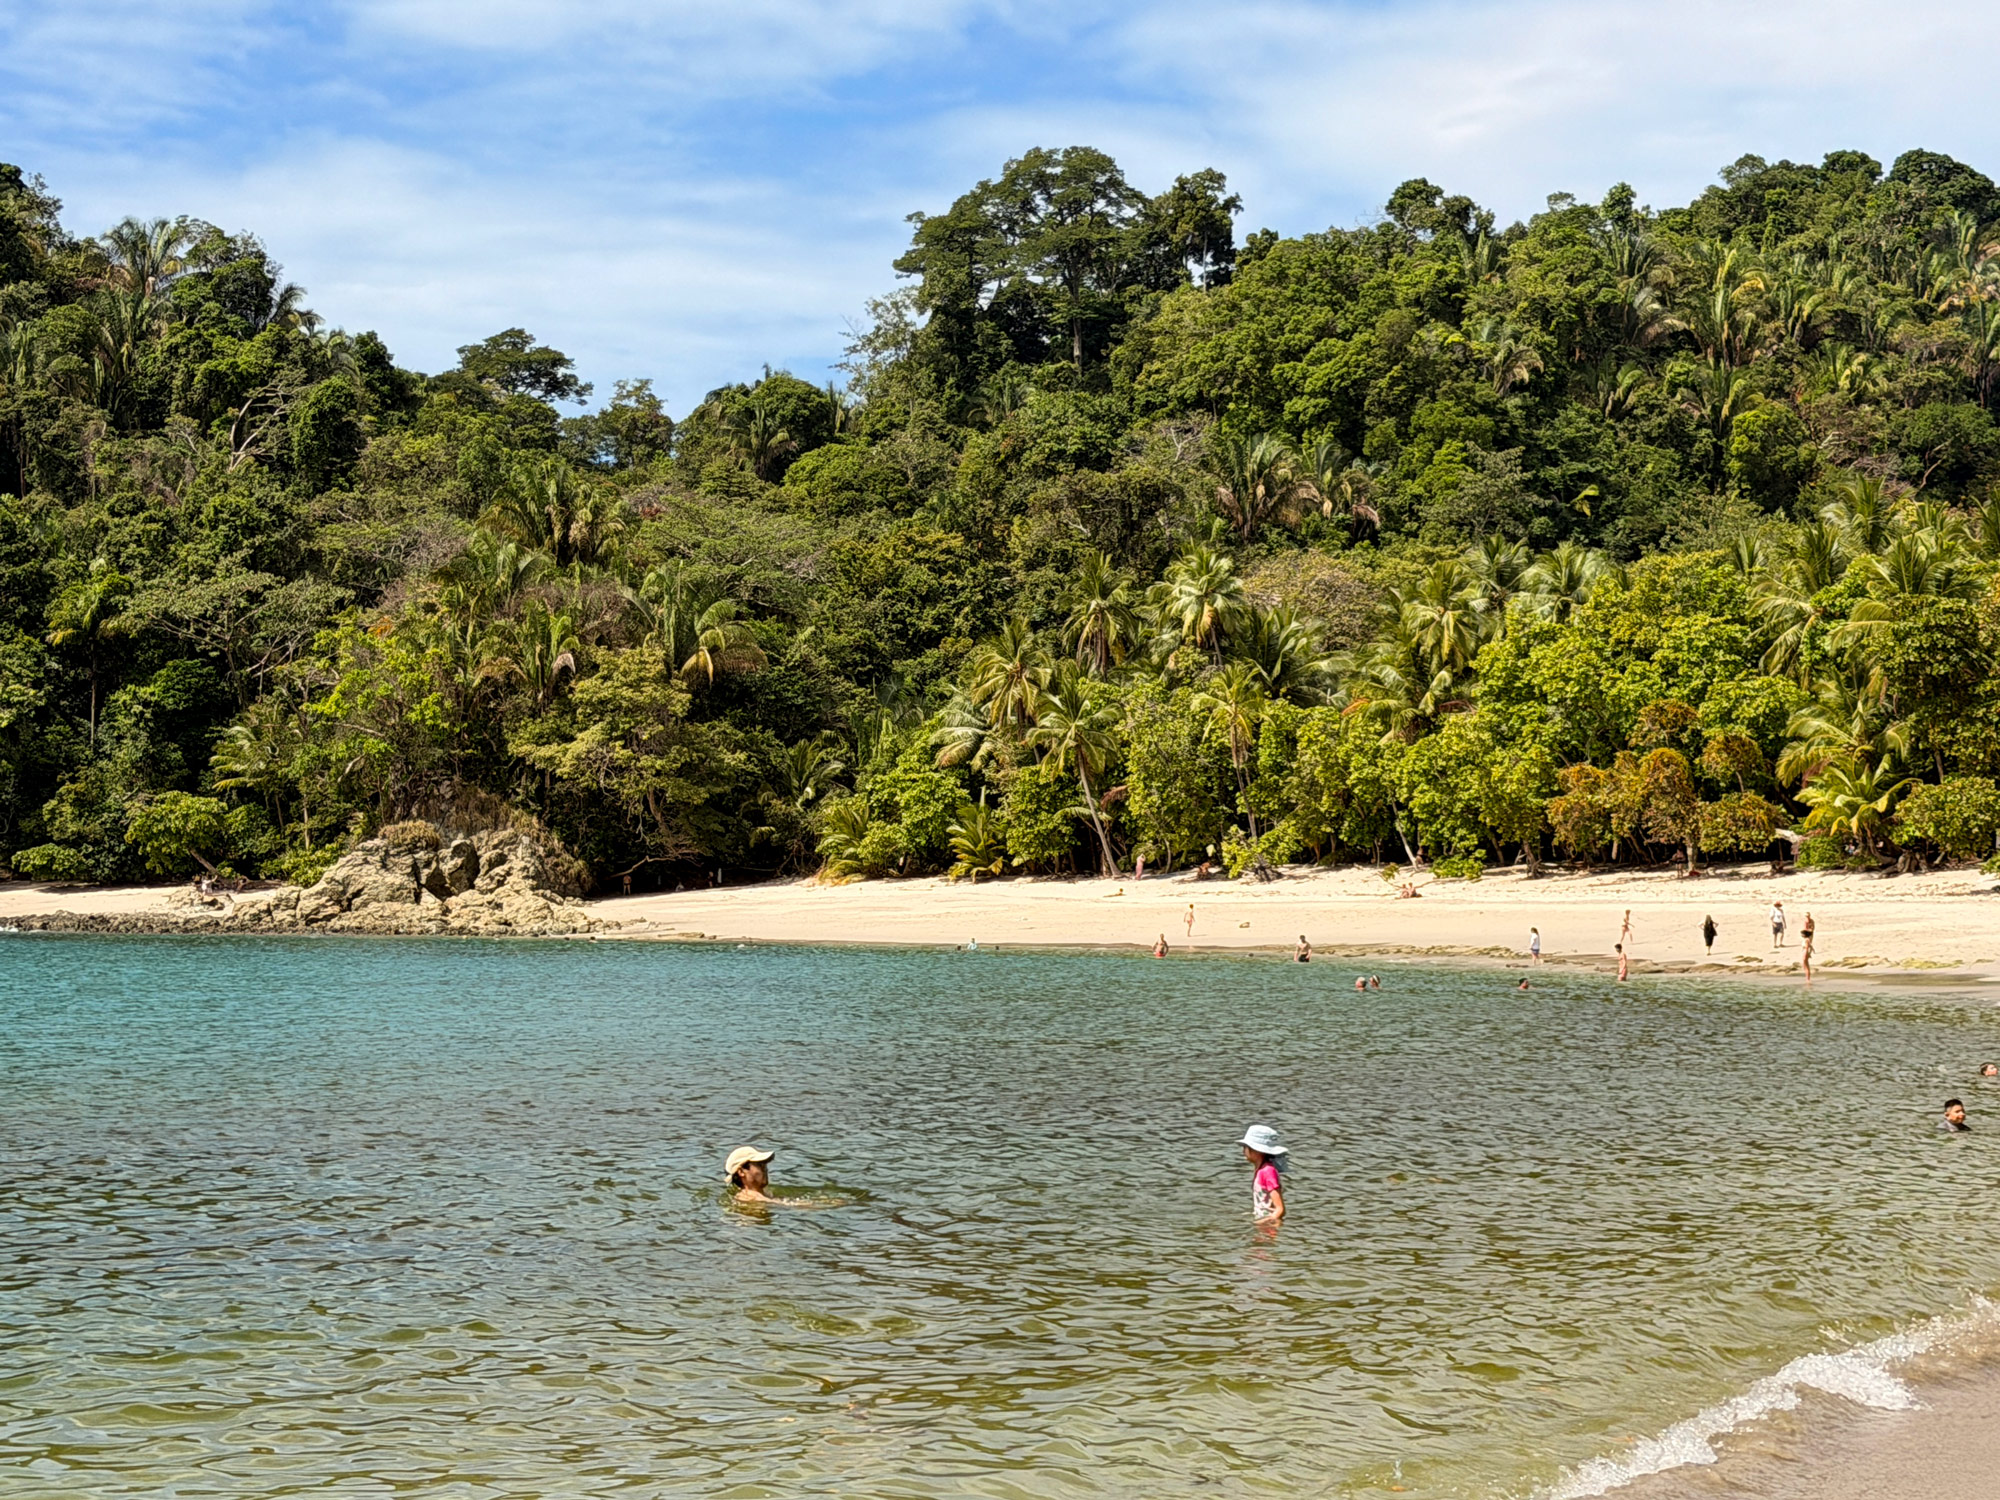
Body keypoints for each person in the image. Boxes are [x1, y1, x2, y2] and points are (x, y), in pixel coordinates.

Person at [1239, 1124, 1287, 1222]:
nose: (1243, 1151)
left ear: (1257, 1150)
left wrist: (1264, 1222)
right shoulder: (1260, 1169)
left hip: (1270, 1224)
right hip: (1263, 1220)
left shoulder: (1268, 1172)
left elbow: (1280, 1209)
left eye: (1245, 1147)